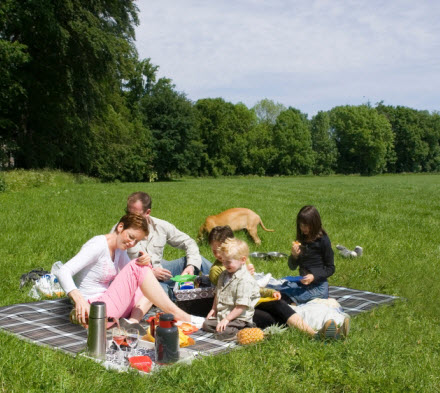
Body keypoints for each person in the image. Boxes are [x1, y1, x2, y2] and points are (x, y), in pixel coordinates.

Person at [57, 213, 201, 328]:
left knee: (151, 288)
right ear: (120, 227)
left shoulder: (120, 249)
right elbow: (63, 271)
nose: (131, 244)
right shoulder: (98, 245)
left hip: (109, 306)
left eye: (136, 242)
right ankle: (181, 315)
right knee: (138, 268)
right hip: (94, 310)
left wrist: (146, 263)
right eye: (131, 237)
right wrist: (79, 300)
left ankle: (132, 322)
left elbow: (140, 278)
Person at [207, 226, 331, 337]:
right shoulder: (218, 270)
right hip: (239, 307)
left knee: (279, 304)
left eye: (221, 248)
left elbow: (252, 286)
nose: (218, 253)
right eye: (214, 250)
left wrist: (268, 292)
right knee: (269, 318)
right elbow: (229, 292)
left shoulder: (239, 258)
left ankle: (313, 333)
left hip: (251, 299)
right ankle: (312, 331)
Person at [123, 192, 212, 298]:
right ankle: (179, 292)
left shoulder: (160, 226)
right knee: (164, 294)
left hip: (163, 270)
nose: (130, 218)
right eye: (128, 213)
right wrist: (149, 273)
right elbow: (119, 269)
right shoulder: (121, 231)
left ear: (147, 212)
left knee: (199, 261)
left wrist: (190, 266)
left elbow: (189, 242)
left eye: (136, 215)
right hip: (140, 279)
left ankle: (227, 284)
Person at [268, 205, 335, 305]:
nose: (303, 228)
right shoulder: (302, 239)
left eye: (306, 225)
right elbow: (292, 267)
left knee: (284, 298)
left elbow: (330, 268)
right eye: (301, 225)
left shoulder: (323, 240)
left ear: (314, 224)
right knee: (276, 290)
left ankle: (294, 303)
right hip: (302, 283)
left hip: (318, 286)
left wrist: (314, 276)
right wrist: (294, 256)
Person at [202, 238, 260, 340]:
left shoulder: (244, 280)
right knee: (206, 324)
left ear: (242, 260)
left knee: (222, 333)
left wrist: (227, 320)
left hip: (239, 318)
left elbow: (241, 307)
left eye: (228, 262)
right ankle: (224, 330)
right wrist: (213, 308)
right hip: (224, 314)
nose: (225, 265)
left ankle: (244, 331)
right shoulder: (223, 275)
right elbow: (217, 293)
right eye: (223, 261)